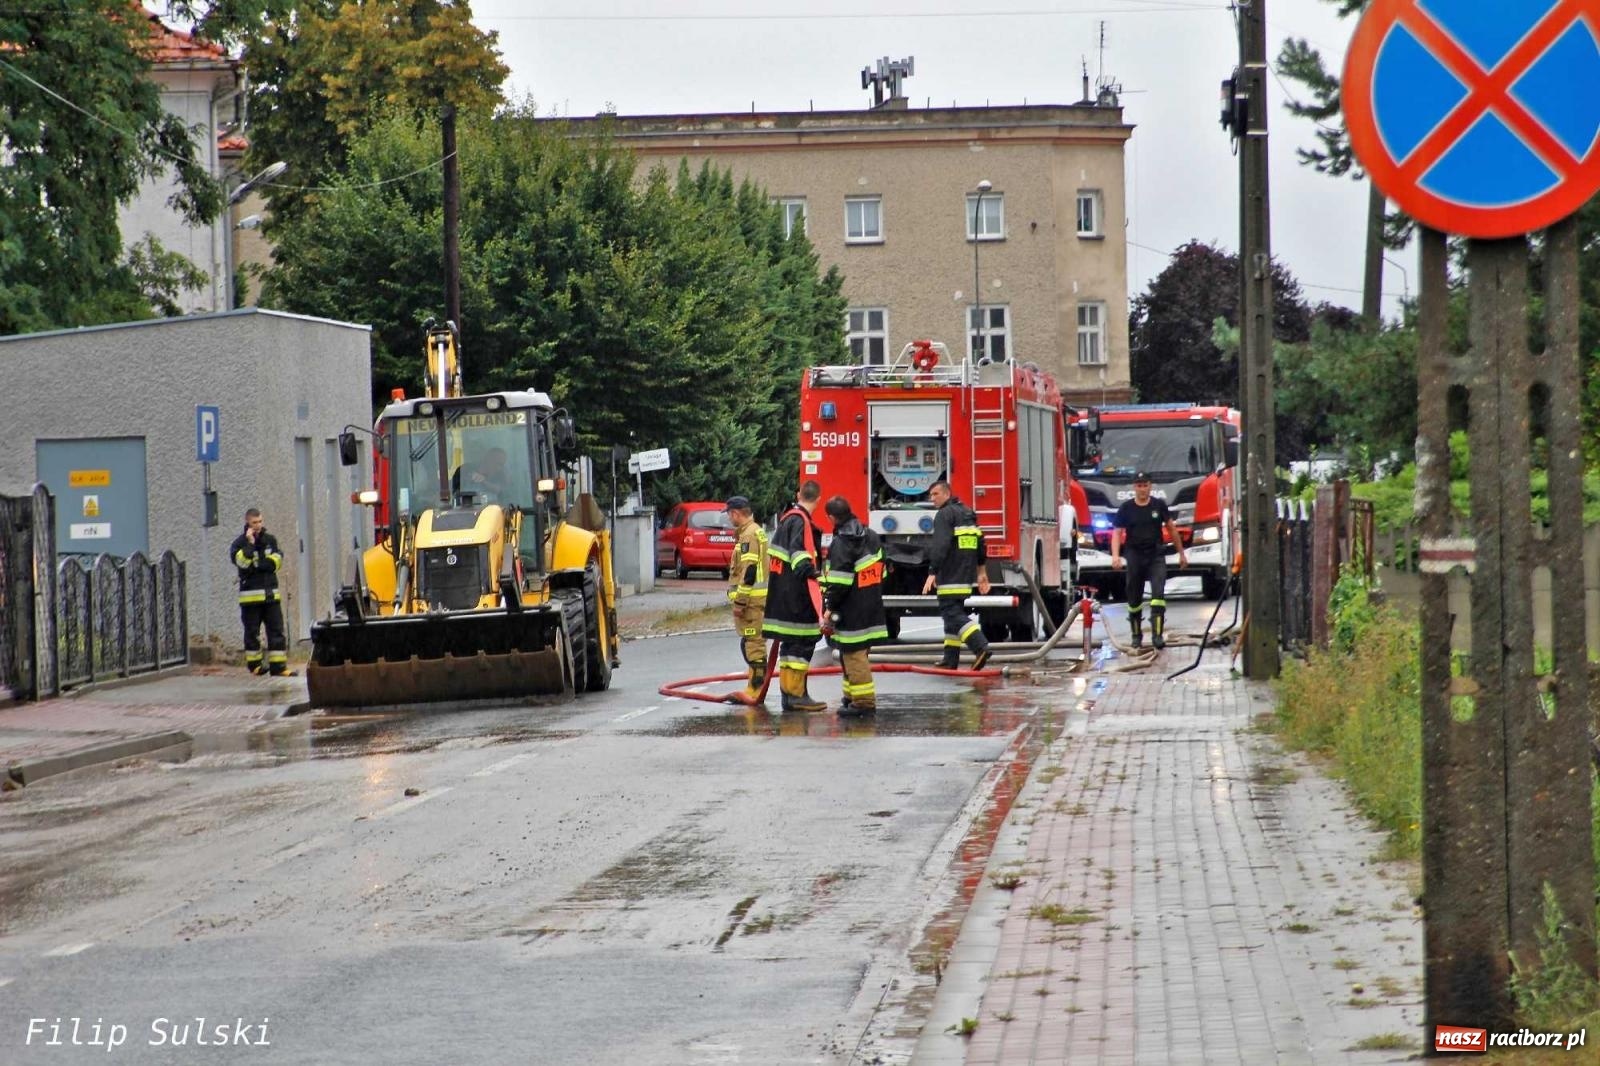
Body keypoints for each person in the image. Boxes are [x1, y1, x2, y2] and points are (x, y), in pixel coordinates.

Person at [762, 480, 827, 712]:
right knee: (802, 645)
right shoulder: (800, 522)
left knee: (790, 648)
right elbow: (800, 557)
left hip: (781, 596)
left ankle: (790, 695)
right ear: (818, 499)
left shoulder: (787, 519)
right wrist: (816, 576)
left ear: (798, 494)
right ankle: (797, 696)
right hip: (797, 598)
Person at [822, 496, 889, 714]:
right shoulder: (870, 535)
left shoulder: (842, 542)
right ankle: (850, 696)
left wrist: (829, 607)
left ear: (832, 518)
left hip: (852, 608)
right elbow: (884, 571)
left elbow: (840, 583)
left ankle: (863, 703)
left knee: (854, 655)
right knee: (851, 653)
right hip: (872, 604)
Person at [1110, 471, 1188, 649]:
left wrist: (1181, 553)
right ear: (1134, 487)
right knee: (1134, 597)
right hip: (1134, 555)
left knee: (1158, 595)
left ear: (1150, 487)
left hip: (1155, 555)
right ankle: (1136, 635)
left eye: (1145, 485)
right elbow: (1117, 533)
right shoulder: (1126, 508)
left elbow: (1172, 529)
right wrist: (1115, 556)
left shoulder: (1158, 505)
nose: (1142, 489)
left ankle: (1157, 635)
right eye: (1139, 485)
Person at [922, 480, 992, 670]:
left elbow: (941, 545)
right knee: (953, 614)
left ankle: (980, 646)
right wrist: (981, 572)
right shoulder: (968, 513)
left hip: (949, 574)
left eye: (935, 494)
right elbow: (980, 543)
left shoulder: (944, 515)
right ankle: (950, 659)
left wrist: (932, 572)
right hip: (965, 574)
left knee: (951, 614)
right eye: (930, 495)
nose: (932, 499)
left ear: (946, 494)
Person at [230, 508, 291, 676]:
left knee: (277, 631)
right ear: (247, 523)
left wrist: (256, 566)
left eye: (260, 522)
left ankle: (279, 667)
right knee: (252, 633)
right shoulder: (239, 543)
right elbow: (242, 563)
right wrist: (249, 544)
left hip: (271, 596)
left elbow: (276, 563)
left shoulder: (270, 541)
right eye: (254, 523)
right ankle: (255, 666)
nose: (258, 525)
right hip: (250, 599)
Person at [724, 495, 770, 701]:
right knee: (751, 642)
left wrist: (740, 601)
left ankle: (755, 689)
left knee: (753, 643)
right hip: (754, 601)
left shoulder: (749, 535)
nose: (728, 519)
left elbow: (749, 571)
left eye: (729, 514)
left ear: (736, 513)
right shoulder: (753, 532)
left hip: (751, 603)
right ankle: (753, 685)